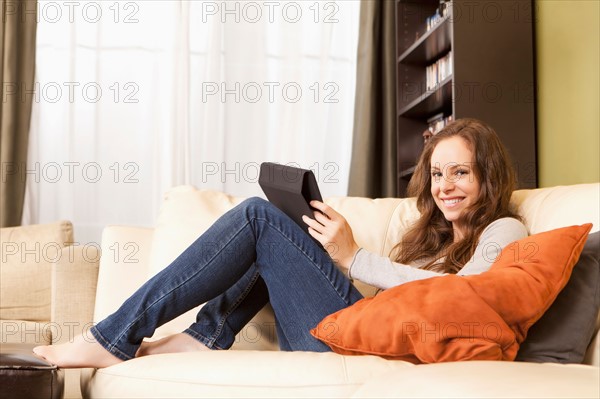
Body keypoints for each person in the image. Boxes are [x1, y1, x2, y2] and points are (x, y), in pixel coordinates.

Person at [33, 118, 528, 368]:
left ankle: (112, 336)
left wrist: (354, 257)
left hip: (372, 352)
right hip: (362, 337)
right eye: (438, 174)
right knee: (278, 228)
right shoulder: (429, 236)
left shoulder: (504, 231)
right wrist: (327, 254)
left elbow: (465, 297)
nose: (445, 186)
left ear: (490, 175)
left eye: (461, 172)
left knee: (257, 216)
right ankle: (201, 337)